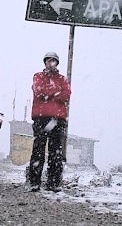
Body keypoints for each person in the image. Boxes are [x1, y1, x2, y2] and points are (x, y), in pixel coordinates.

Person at [28, 52, 72, 192]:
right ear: (45, 62)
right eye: (49, 60)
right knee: (38, 150)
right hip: (41, 119)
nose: (51, 63)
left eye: (54, 61)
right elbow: (39, 90)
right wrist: (56, 92)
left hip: (57, 120)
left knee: (56, 152)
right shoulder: (38, 76)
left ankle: (53, 183)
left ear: (57, 63)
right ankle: (34, 182)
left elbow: (67, 94)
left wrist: (51, 93)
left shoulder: (62, 78)